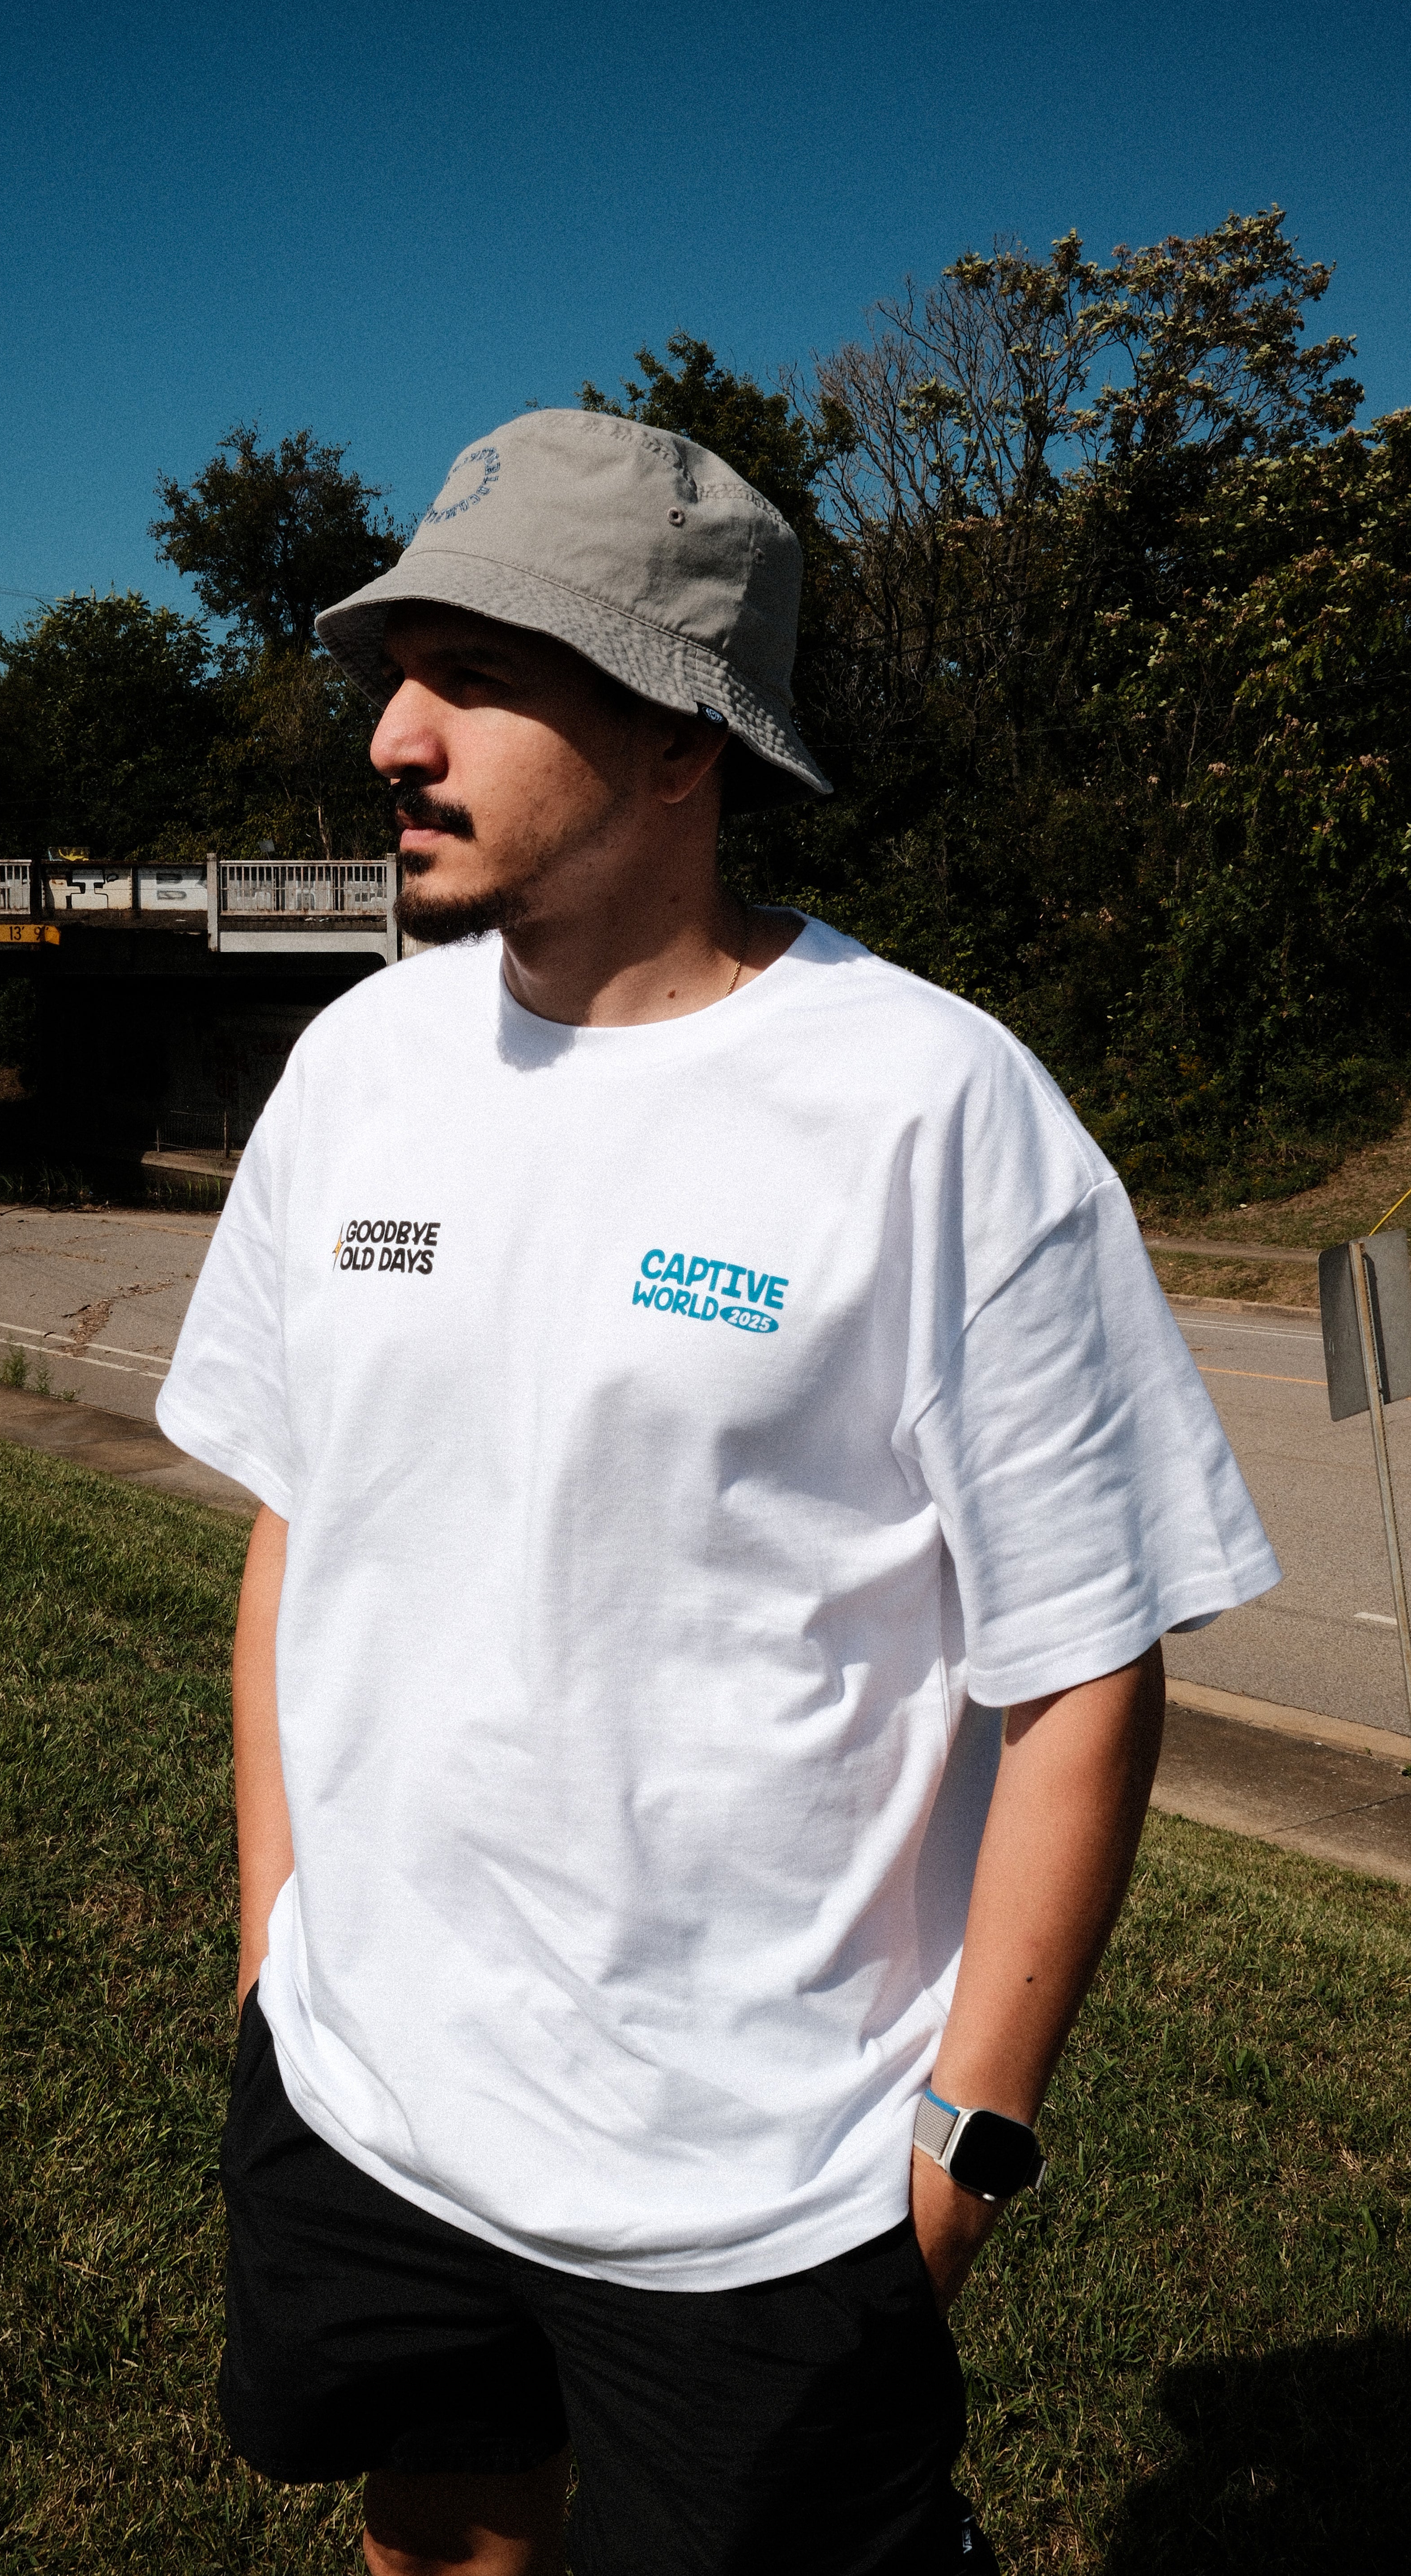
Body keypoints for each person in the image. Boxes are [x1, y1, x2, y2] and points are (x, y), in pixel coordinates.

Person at [157, 409, 1278, 2576]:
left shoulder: (935, 1111)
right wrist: (274, 1948)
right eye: (395, 672)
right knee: (438, 2532)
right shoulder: (359, 1068)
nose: (392, 736)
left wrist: (961, 2153)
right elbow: (301, 1524)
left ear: (685, 742)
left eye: (477, 678)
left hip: (761, 2189)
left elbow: (1082, 1676)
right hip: (365, 2092)